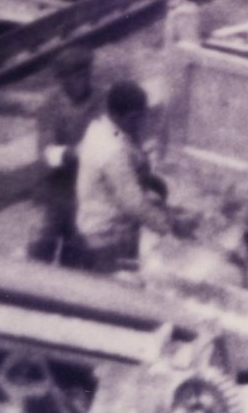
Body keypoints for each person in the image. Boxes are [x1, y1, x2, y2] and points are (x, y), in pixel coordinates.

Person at [73, 81, 176, 274]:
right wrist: (169, 227)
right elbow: (134, 203)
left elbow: (120, 170)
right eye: (141, 118)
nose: (144, 123)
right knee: (115, 286)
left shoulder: (98, 128)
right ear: (131, 117)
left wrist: (148, 179)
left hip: (96, 228)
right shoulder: (113, 151)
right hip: (107, 238)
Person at [28, 52, 102, 265]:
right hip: (56, 188)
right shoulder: (51, 105)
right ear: (62, 79)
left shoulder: (102, 100)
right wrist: (76, 153)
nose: (82, 80)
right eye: (74, 76)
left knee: (79, 253)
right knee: (41, 250)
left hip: (88, 190)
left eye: (85, 73)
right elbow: (48, 152)